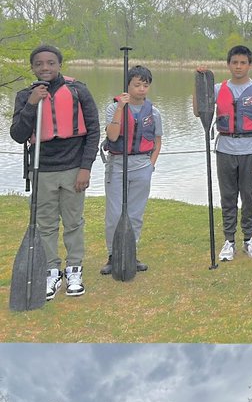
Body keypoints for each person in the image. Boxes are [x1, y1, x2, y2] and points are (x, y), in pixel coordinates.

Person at [10, 45, 99, 299]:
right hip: (42, 170)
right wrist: (31, 104)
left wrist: (86, 168)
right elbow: (17, 135)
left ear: (59, 64)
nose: (45, 68)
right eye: (39, 64)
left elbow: (93, 130)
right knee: (46, 224)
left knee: (73, 222)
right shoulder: (25, 95)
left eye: (50, 63)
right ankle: (51, 271)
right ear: (33, 67)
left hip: (73, 168)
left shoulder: (78, 90)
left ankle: (74, 269)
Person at [193, 46, 252, 260]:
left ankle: (249, 239)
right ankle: (229, 240)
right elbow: (198, 111)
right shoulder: (218, 89)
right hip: (225, 149)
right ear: (228, 65)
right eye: (234, 62)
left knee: (248, 196)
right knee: (228, 197)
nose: (238, 66)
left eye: (243, 63)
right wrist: (200, 83)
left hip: (251, 151)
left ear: (249, 65)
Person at [101, 65, 162, 275]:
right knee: (115, 213)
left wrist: (151, 165)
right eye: (137, 85)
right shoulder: (114, 108)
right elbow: (112, 136)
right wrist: (120, 108)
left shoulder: (153, 112)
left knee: (135, 214)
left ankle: (130, 253)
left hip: (142, 165)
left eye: (145, 85)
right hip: (117, 165)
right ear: (128, 85)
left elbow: (157, 141)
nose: (142, 89)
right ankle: (113, 255)